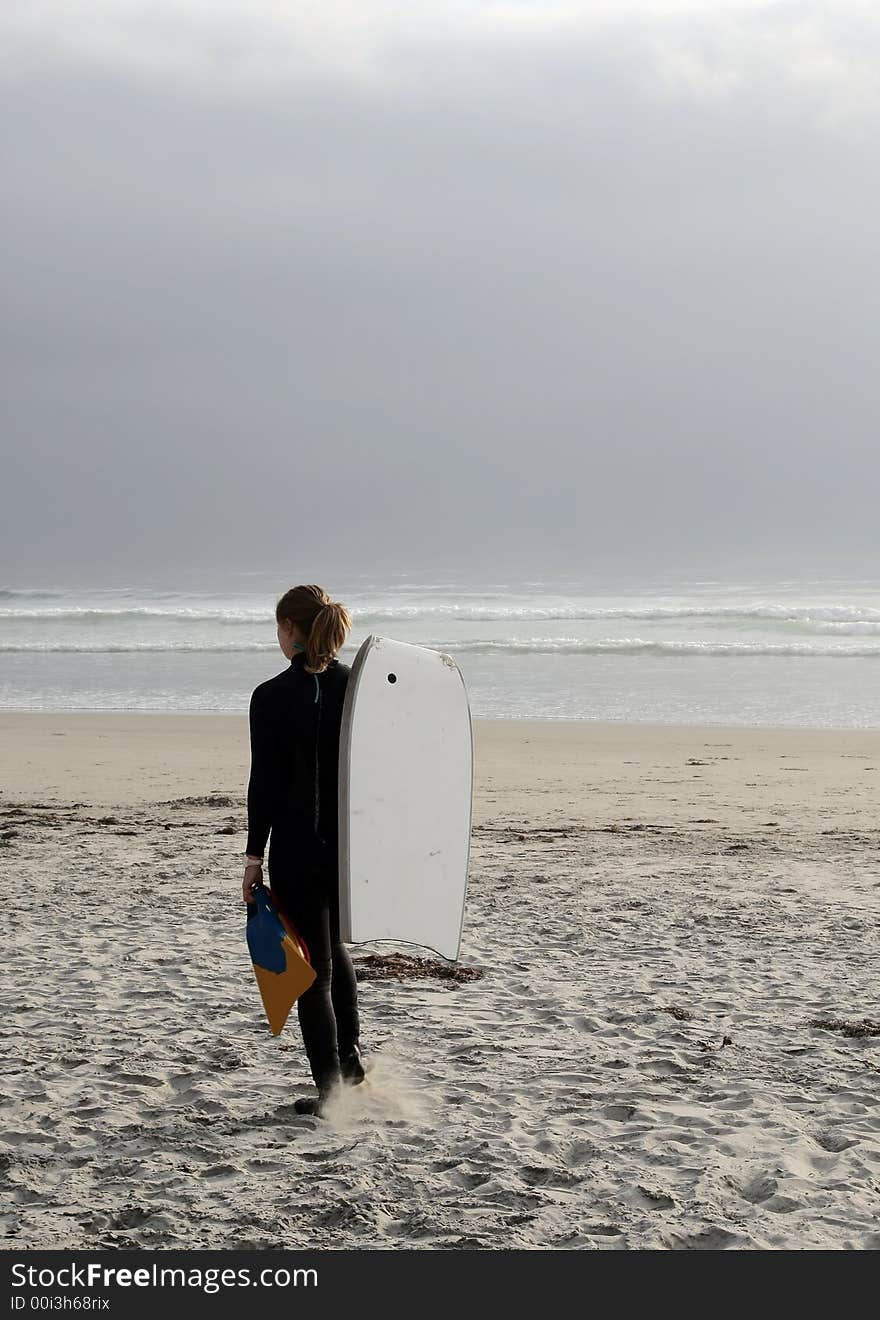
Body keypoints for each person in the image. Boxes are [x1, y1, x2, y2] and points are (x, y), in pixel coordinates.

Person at [242, 583, 365, 1116]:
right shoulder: (355, 689)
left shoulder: (270, 696)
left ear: (290, 628)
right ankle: (351, 1066)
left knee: (312, 969)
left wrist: (253, 855)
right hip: (346, 850)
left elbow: (263, 784)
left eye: (278, 626)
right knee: (333, 950)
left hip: (296, 849)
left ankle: (331, 1095)